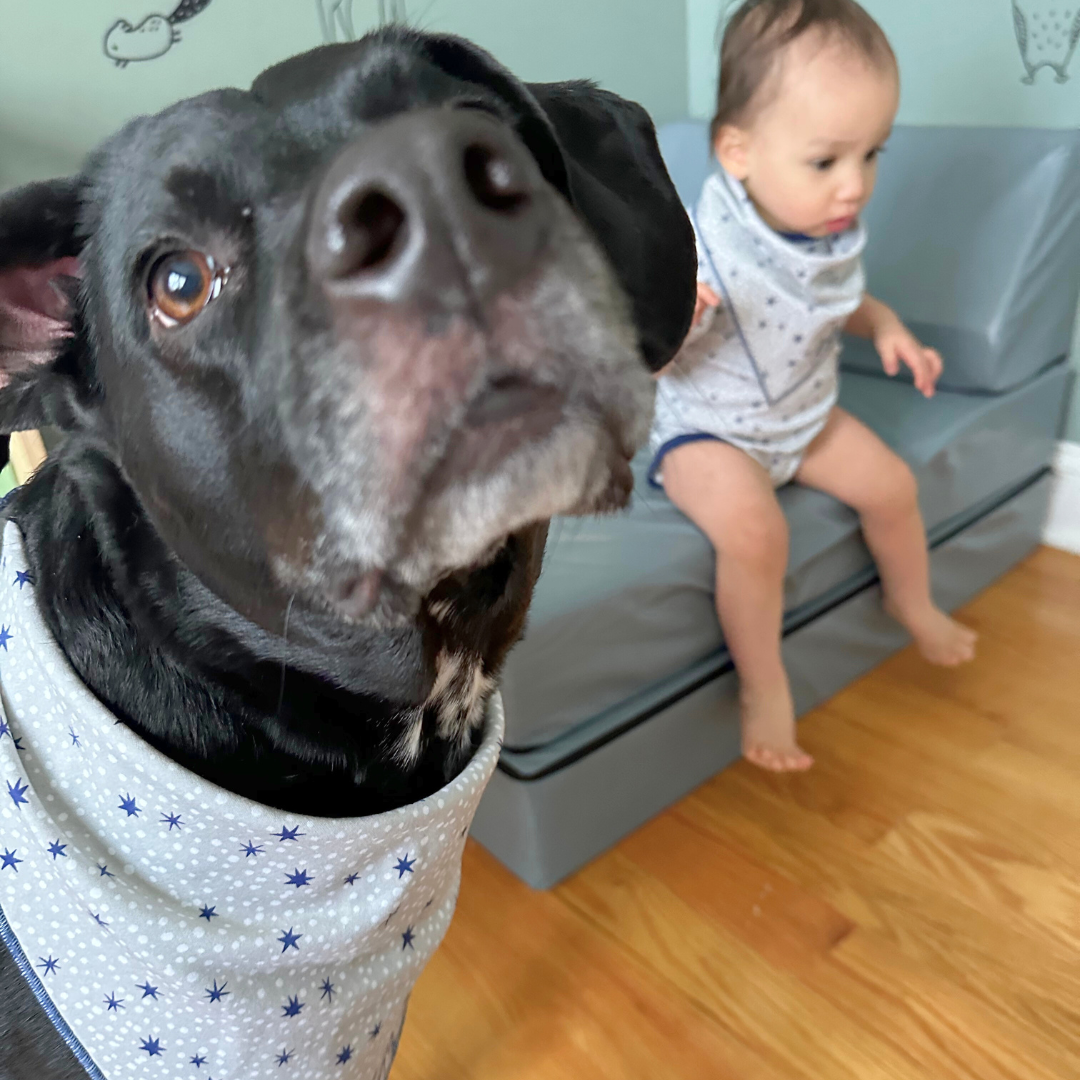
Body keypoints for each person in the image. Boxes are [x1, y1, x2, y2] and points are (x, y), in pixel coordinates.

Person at [651, 0, 977, 772]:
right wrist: (675, 322)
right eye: (828, 160)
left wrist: (889, 326)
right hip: (711, 431)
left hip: (803, 417)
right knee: (758, 535)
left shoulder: (819, 235)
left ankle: (910, 598)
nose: (855, 186)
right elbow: (648, 363)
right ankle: (764, 685)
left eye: (873, 155)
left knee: (893, 486)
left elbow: (837, 303)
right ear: (739, 151)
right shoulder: (699, 244)